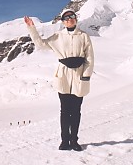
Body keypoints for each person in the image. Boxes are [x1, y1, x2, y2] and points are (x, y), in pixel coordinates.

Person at [24, 9, 94, 151]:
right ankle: (65, 141)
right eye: (66, 18)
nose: (70, 19)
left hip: (79, 75)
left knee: (76, 111)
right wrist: (31, 27)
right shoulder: (58, 36)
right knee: (64, 110)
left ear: (75, 18)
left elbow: (90, 58)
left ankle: (74, 140)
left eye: (72, 17)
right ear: (62, 21)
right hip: (63, 76)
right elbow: (40, 44)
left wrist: (86, 76)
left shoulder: (84, 36)